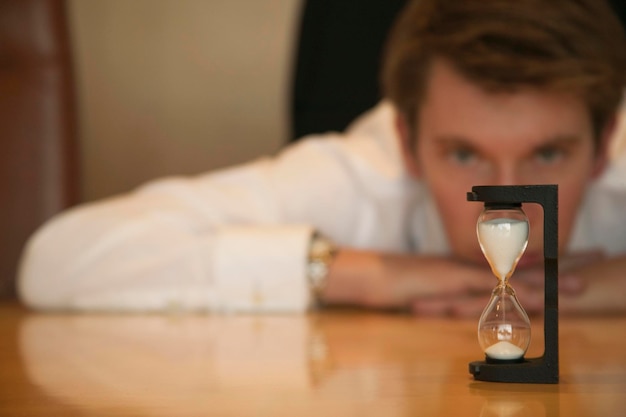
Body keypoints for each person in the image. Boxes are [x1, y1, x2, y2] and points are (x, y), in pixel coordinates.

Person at [17, 0, 626, 316]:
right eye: (464, 154)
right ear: (407, 144)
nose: (506, 205)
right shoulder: (362, 175)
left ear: (604, 147)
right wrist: (363, 275)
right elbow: (59, 261)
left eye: (547, 153)